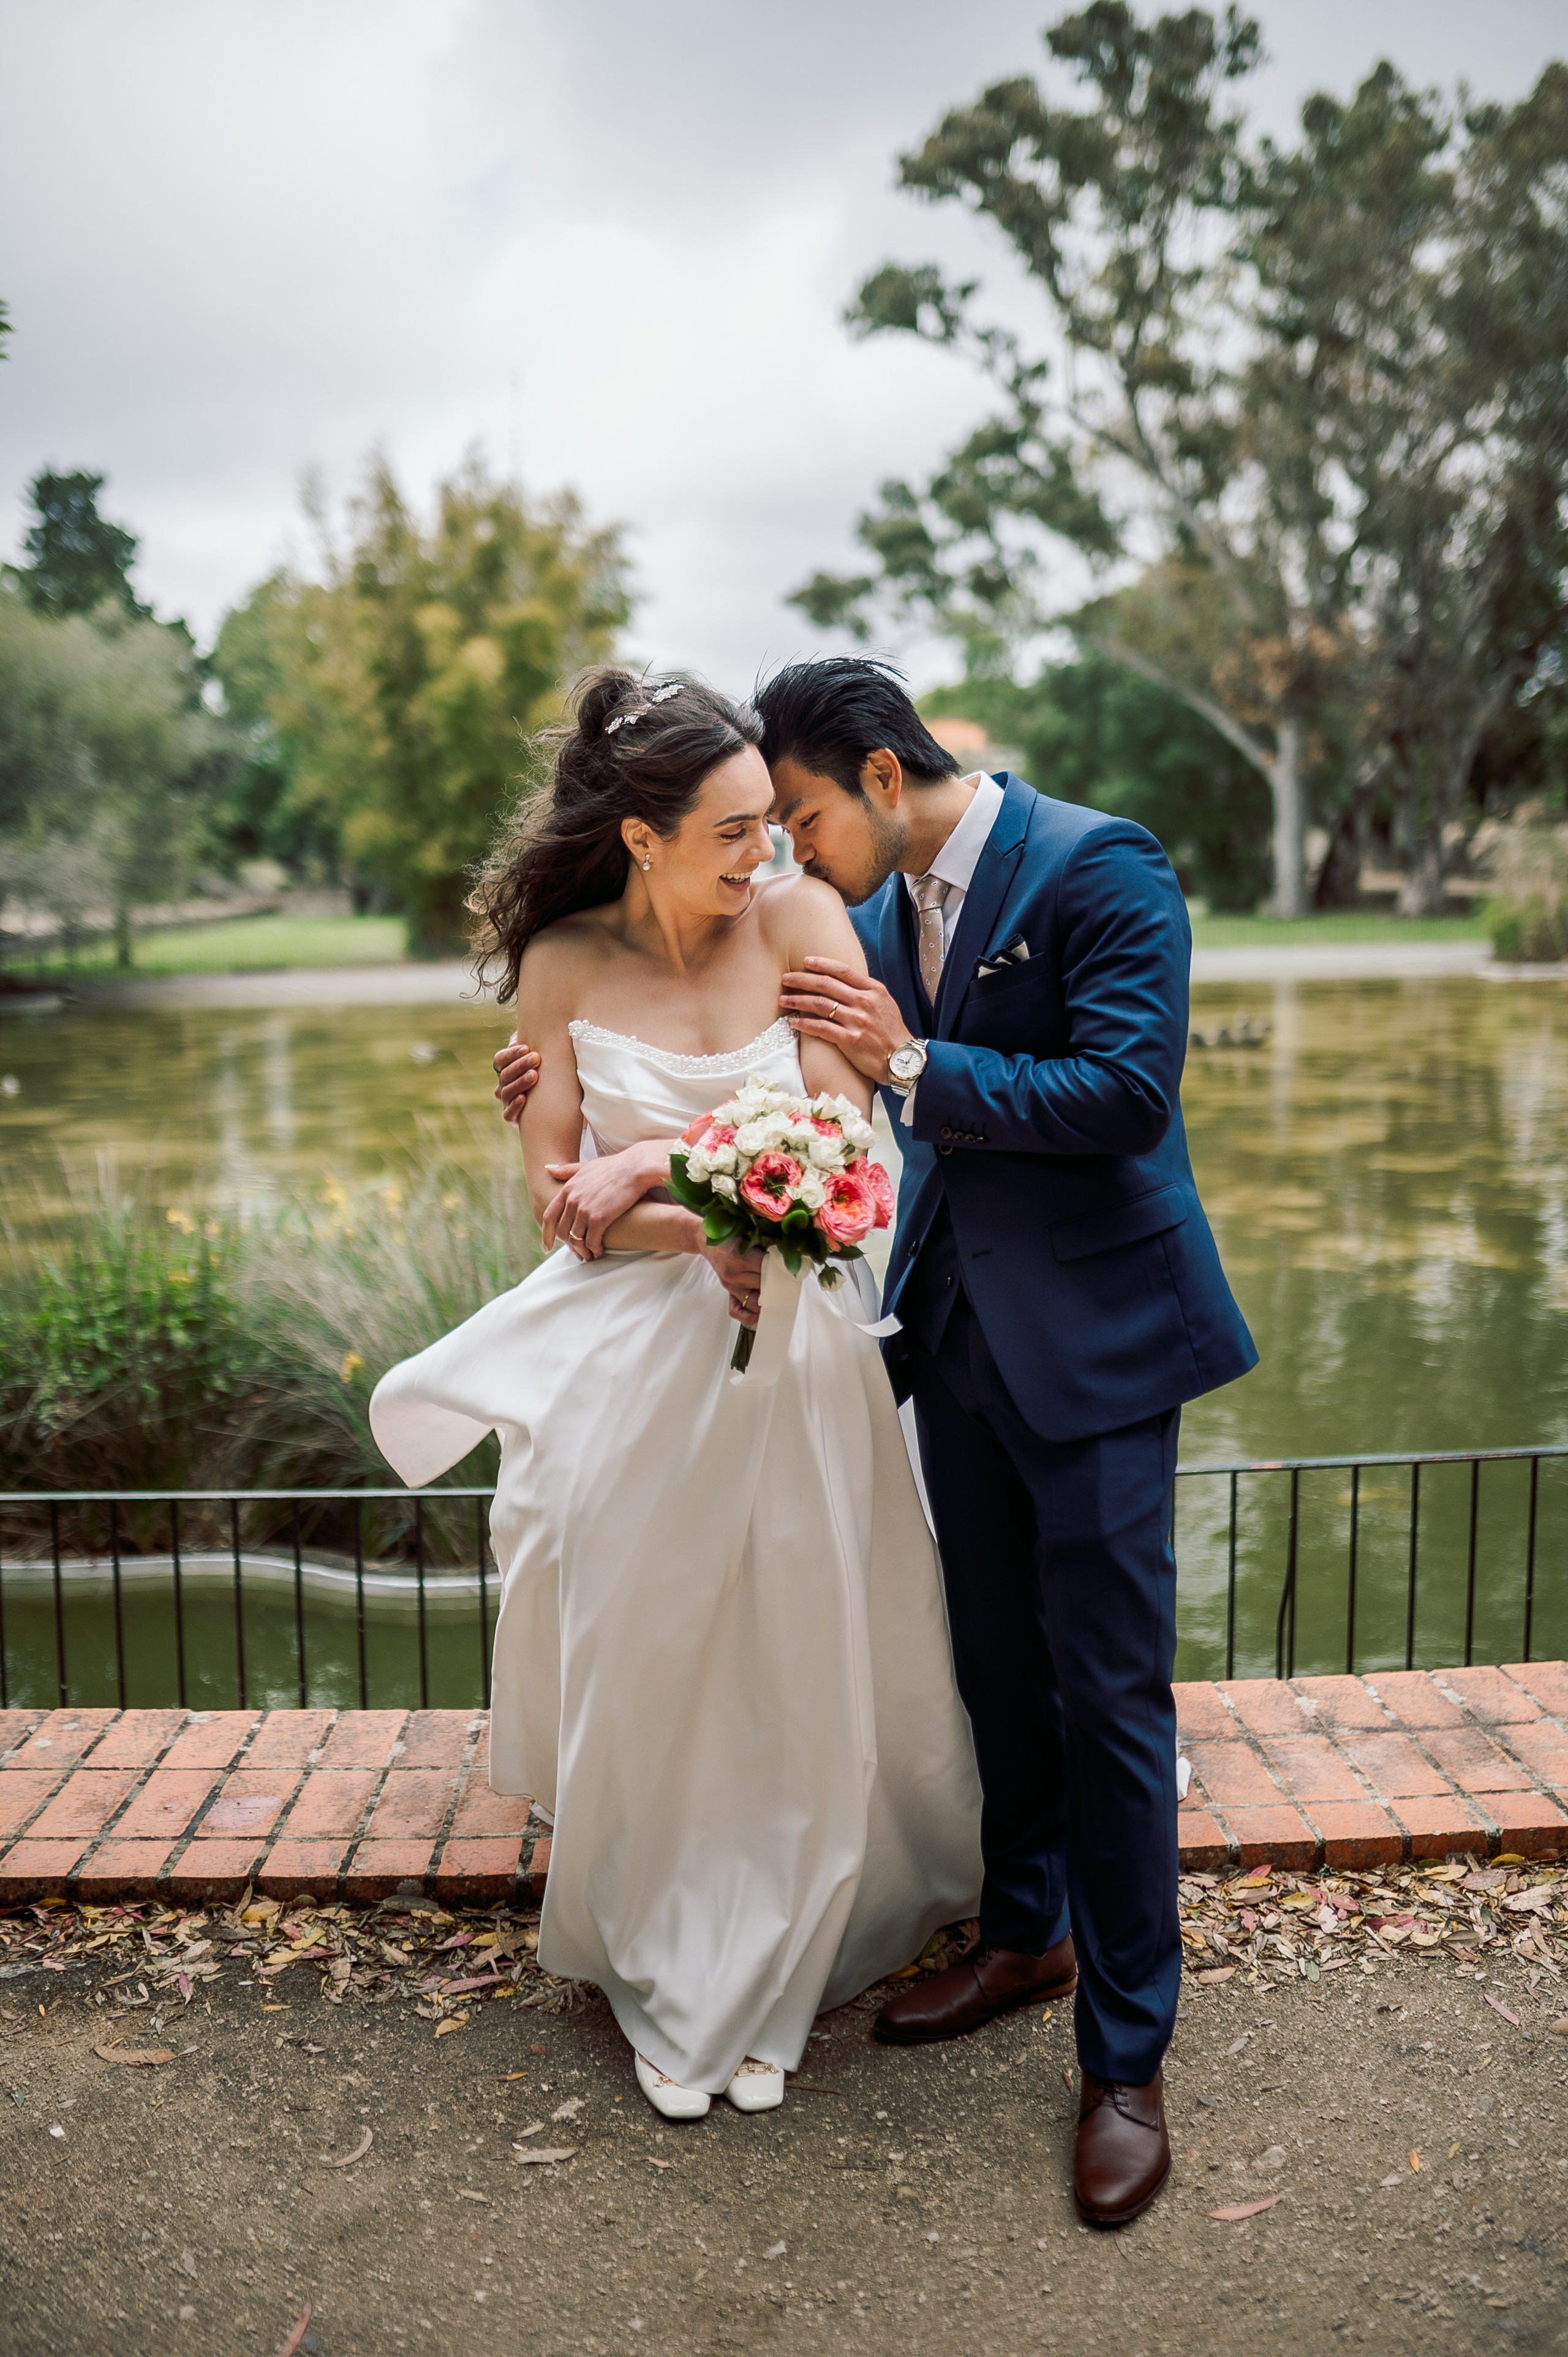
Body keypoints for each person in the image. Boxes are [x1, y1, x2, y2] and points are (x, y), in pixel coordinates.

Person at [496, 656, 1256, 2226]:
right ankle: (1023, 1934)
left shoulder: (1096, 863)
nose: (782, 848)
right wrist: (574, 1108)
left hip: (1099, 1347)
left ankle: (1125, 2062)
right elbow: (786, 1096)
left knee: (1110, 1692)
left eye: (800, 815)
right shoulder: (844, 911)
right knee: (992, 1663)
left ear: (883, 781)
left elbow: (1120, 1092)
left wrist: (903, 1063)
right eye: (753, 824)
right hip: (951, 1337)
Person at [370, 666, 982, 2126]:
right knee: (652, 1638)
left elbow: (843, 1147)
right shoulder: (566, 969)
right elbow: (554, 1206)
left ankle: (799, 1923)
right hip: (636, 1357)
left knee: (799, 1626)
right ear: (638, 837)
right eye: (726, 830)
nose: (762, 853)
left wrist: (661, 1169)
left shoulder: (801, 923)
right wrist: (701, 1225)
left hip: (805, 1348)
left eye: (771, 820)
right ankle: (667, 1934)